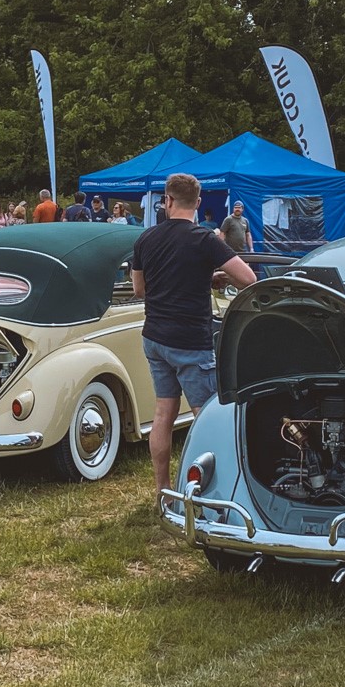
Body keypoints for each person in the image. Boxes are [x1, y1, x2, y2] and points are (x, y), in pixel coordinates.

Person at [131, 173, 259, 491]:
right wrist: (219, 278)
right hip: (190, 339)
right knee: (206, 417)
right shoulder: (204, 239)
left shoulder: (146, 238)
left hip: (155, 337)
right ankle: (213, 492)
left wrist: (200, 278)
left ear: (168, 200)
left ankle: (163, 491)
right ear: (198, 203)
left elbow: (138, 289)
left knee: (164, 413)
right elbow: (248, 279)